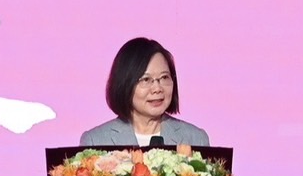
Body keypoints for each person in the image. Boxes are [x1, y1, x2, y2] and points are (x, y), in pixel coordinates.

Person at [80, 37, 209, 147]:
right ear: (125, 84)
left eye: (164, 77)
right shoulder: (95, 141)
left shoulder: (196, 139)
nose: (157, 89)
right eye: (146, 79)